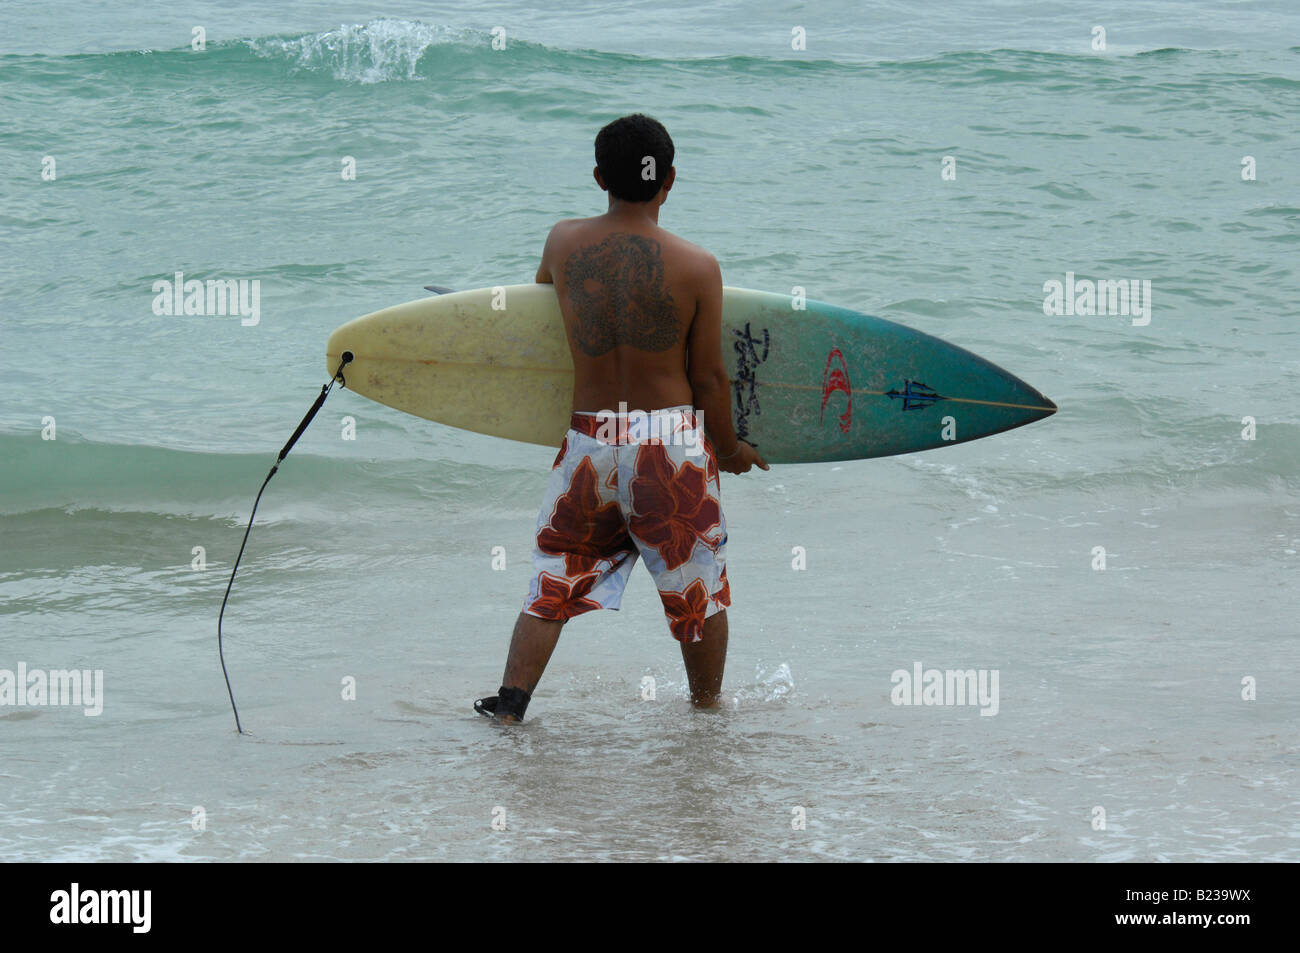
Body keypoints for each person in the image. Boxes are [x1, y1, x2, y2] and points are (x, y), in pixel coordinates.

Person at [475, 114, 767, 724]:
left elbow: (539, 324)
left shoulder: (562, 243)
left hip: (591, 437)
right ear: (670, 181)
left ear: (599, 176)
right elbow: (710, 376)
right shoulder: (697, 266)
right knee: (697, 589)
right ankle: (707, 714)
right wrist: (733, 450)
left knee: (553, 579)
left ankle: (510, 705)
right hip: (667, 442)